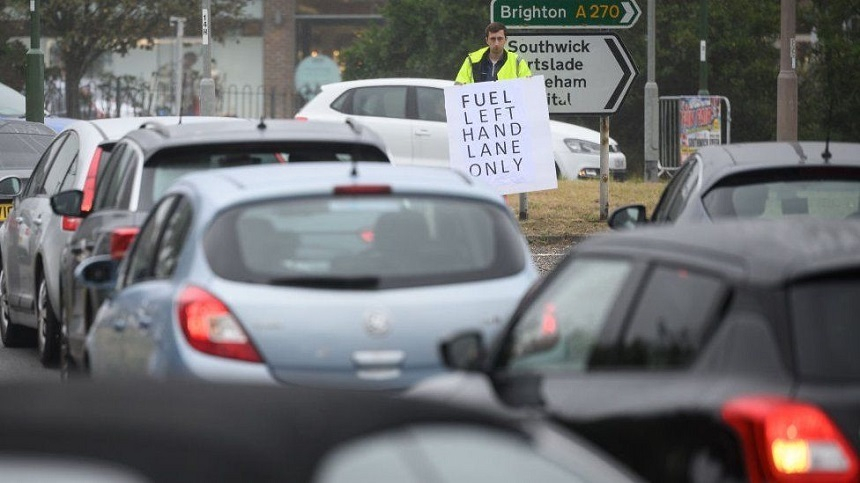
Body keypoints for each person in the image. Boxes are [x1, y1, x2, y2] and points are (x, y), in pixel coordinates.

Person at [455, 22, 532, 85]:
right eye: (492, 39)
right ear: (487, 40)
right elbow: (459, 87)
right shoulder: (472, 60)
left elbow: (528, 88)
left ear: (506, 40)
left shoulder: (517, 61)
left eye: (500, 38)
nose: (496, 43)